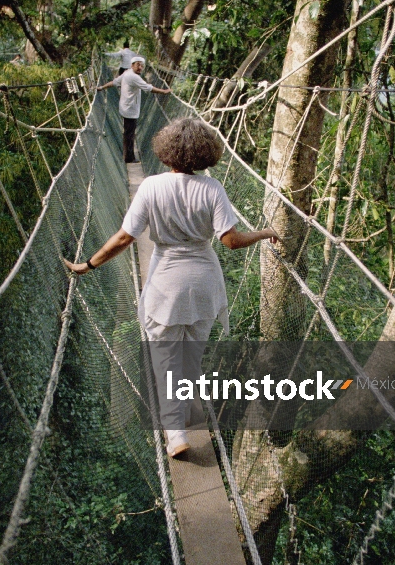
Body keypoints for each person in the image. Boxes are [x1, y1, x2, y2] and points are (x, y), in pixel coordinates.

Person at [64, 118, 279, 457]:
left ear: (165, 152)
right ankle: (189, 411)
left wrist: (88, 264)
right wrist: (264, 233)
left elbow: (124, 238)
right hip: (204, 283)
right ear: (205, 153)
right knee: (191, 358)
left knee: (165, 361)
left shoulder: (150, 187)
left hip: (166, 282)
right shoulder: (213, 189)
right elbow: (232, 242)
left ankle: (176, 434)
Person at [97, 56, 170, 163]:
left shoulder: (127, 73)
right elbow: (148, 88)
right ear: (132, 65)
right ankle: (129, 158)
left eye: (142, 65)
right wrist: (164, 91)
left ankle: (128, 155)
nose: (140, 67)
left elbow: (114, 82)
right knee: (129, 134)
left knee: (128, 132)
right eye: (138, 65)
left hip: (125, 107)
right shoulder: (134, 77)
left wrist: (102, 87)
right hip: (130, 109)